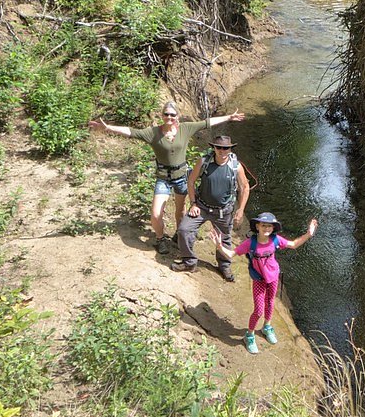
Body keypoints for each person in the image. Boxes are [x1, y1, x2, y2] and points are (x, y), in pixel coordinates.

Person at [88, 102, 244, 254]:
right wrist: (108, 128)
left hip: (182, 176)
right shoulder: (153, 133)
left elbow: (207, 123)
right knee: (156, 213)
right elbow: (131, 131)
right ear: (162, 115)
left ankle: (179, 235)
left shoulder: (186, 128)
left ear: (177, 116)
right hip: (163, 178)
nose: (169, 117)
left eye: (172, 114)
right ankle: (160, 239)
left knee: (180, 211)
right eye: (166, 114)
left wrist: (229, 117)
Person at [217, 212, 318, 354]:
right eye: (264, 225)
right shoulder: (250, 243)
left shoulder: (275, 240)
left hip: (273, 277)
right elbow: (231, 254)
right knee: (258, 310)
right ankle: (249, 335)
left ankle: (267, 327)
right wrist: (219, 246)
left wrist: (309, 234)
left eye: (270, 226)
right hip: (259, 280)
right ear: (257, 226)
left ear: (273, 228)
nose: (267, 229)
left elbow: (294, 244)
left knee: (270, 302)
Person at [172, 134, 250, 280]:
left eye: (225, 148)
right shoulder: (204, 162)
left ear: (230, 149)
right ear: (213, 148)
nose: (222, 150)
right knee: (184, 229)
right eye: (219, 147)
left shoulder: (236, 166)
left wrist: (241, 210)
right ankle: (189, 262)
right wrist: (193, 203)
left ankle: (224, 266)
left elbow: (245, 187)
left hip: (224, 211)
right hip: (201, 206)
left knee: (225, 239)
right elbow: (191, 181)